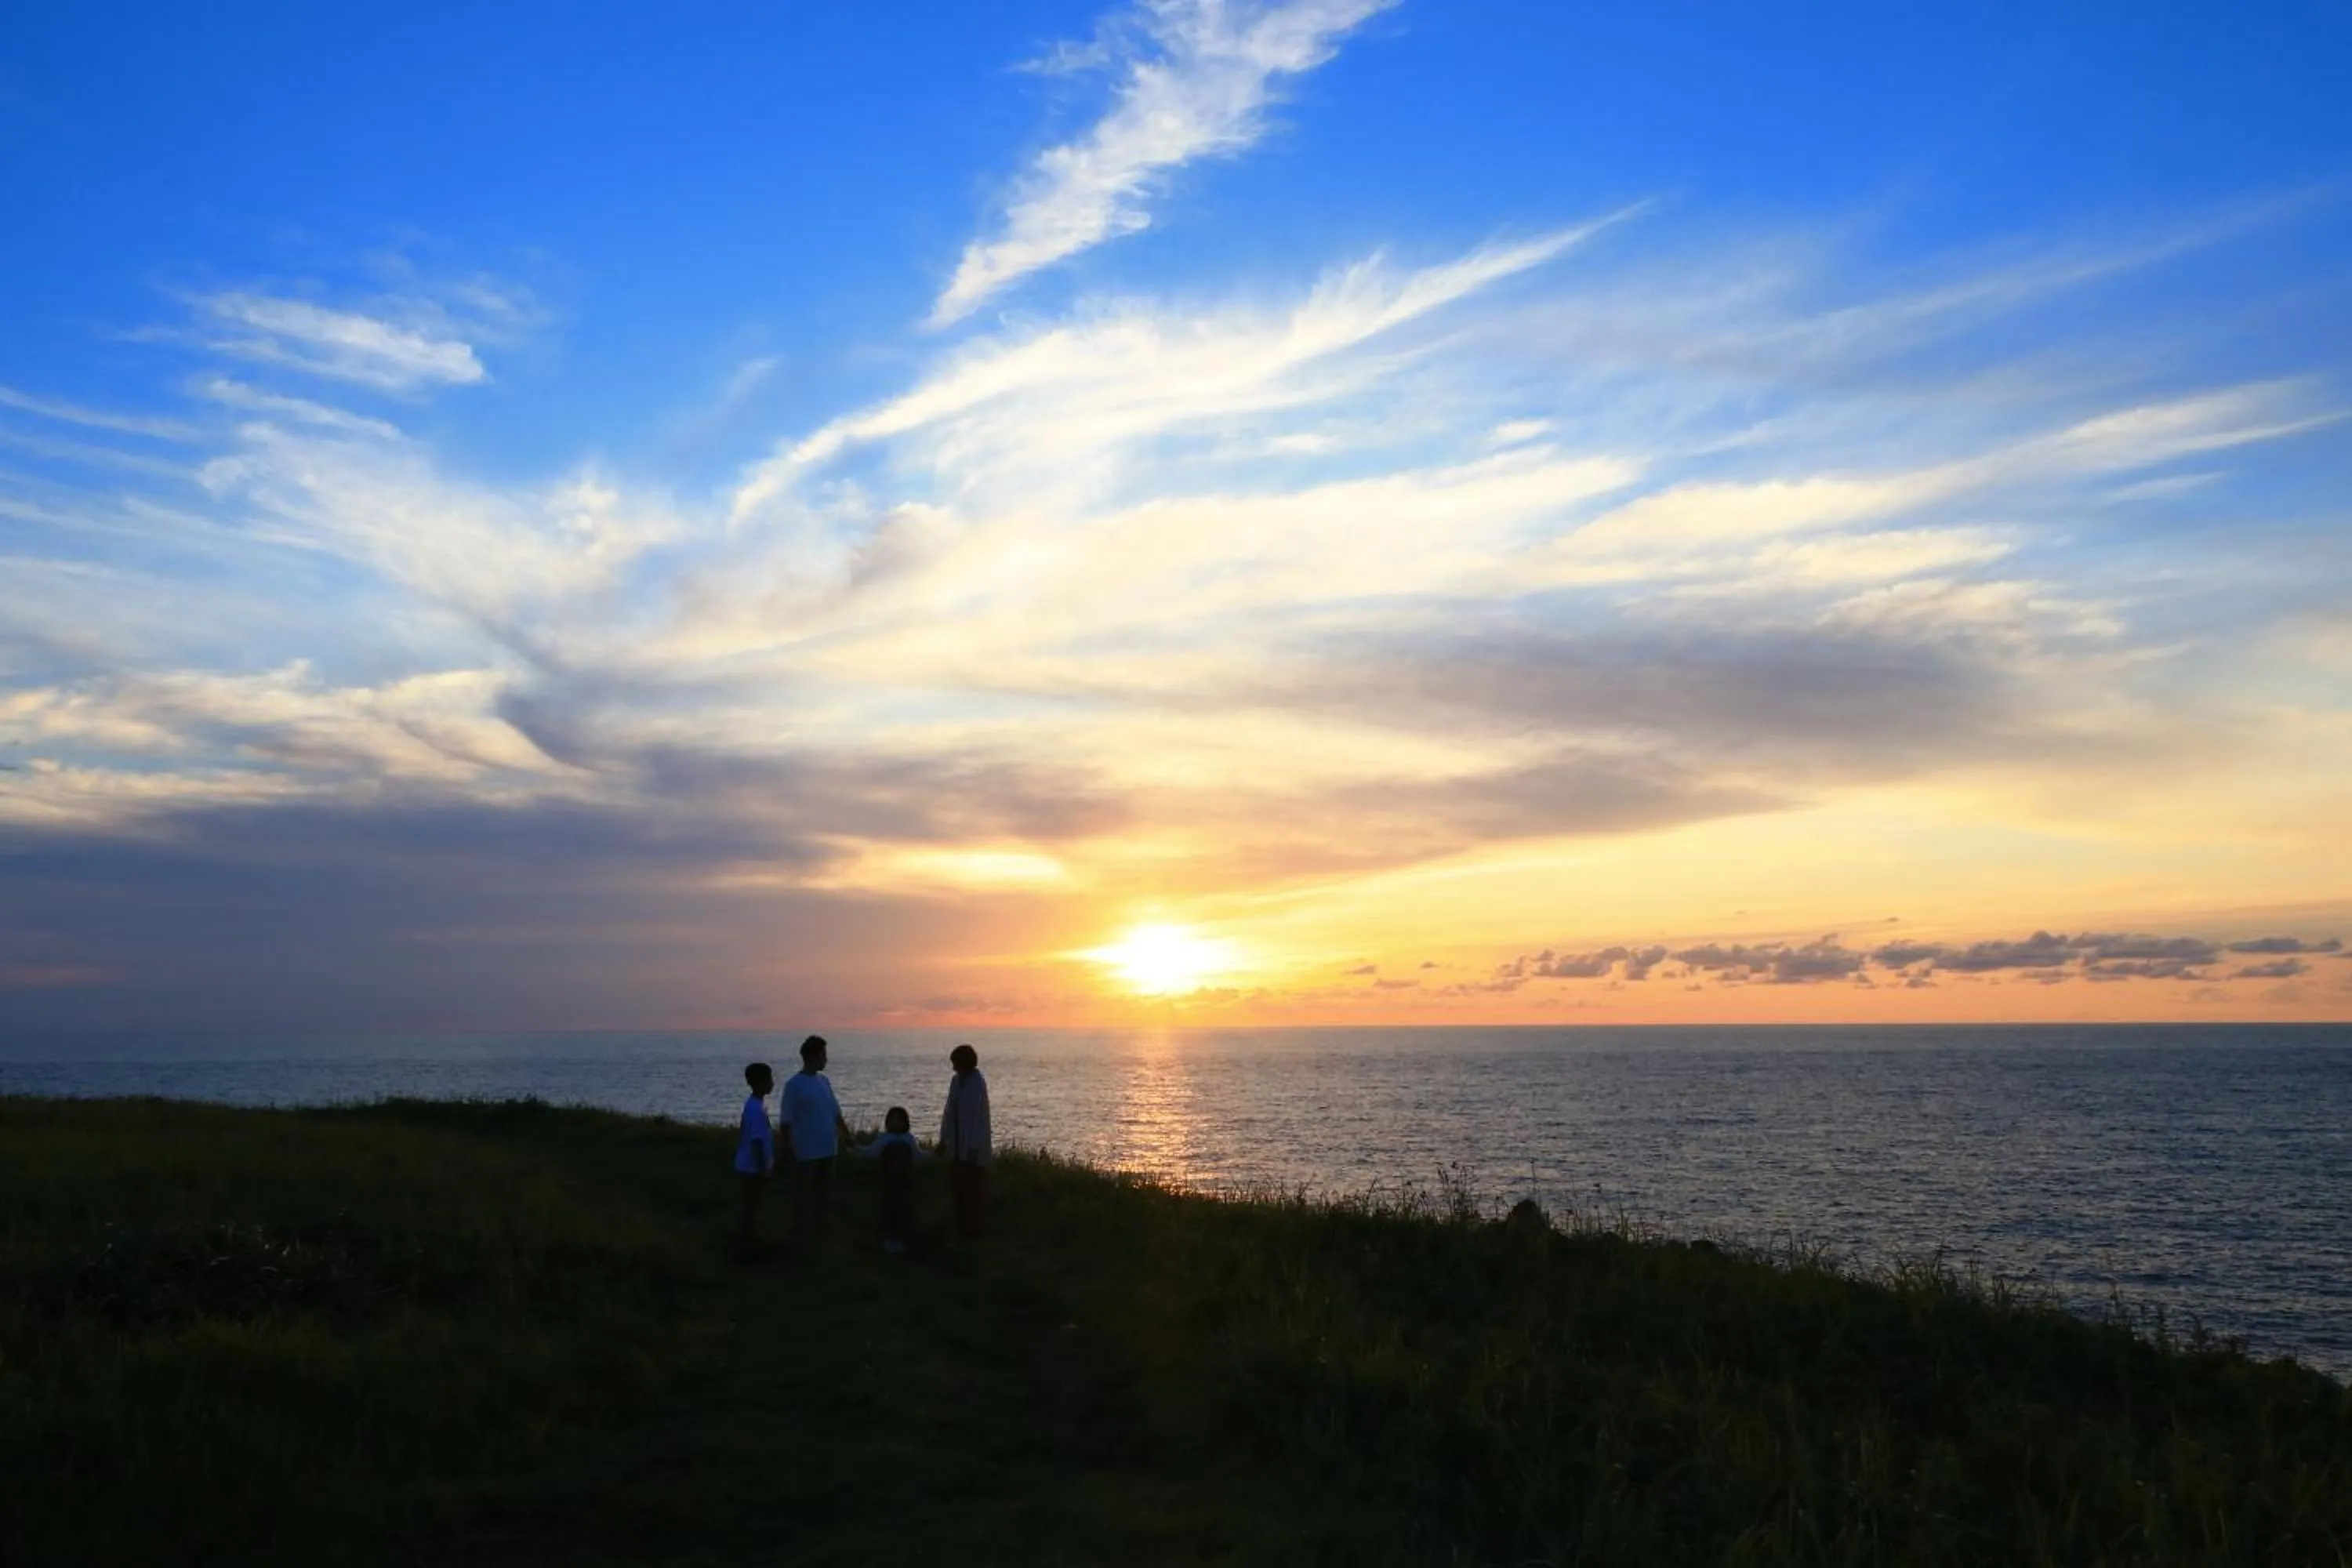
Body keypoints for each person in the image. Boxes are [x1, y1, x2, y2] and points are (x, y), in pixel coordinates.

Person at [782, 1034, 852, 1250]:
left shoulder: (824, 1081)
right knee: (804, 1198)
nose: (826, 1060)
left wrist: (847, 1136)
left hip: (828, 1150)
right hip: (806, 1153)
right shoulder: (794, 1085)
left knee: (824, 1197)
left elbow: (835, 1111)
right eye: (823, 1055)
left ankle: (821, 1237)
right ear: (811, 1056)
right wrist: (788, 1149)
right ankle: (800, 1240)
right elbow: (786, 1121)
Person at [938, 1043, 992, 1240]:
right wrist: (944, 1139)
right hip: (957, 1148)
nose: (953, 1067)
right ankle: (959, 1231)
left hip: (972, 1150)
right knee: (958, 1192)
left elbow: (972, 1119)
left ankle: (973, 1235)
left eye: (955, 1063)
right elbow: (949, 1113)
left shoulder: (977, 1082)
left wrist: (972, 1148)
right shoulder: (956, 1081)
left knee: (973, 1194)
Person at [856, 1105, 925, 1254]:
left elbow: (918, 1155)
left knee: (903, 1209)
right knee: (888, 1208)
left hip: (905, 1181)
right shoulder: (884, 1138)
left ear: (905, 1122)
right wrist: (854, 1148)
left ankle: (902, 1239)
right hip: (888, 1181)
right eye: (893, 1120)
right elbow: (870, 1152)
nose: (896, 1123)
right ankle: (888, 1239)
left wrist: (936, 1153)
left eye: (899, 1120)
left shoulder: (909, 1139)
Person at [734, 1062, 776, 1256]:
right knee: (753, 1207)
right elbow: (757, 1141)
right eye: (769, 1079)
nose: (772, 1083)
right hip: (752, 1168)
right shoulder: (756, 1110)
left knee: (750, 1206)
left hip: (747, 1165)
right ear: (760, 1083)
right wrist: (764, 1168)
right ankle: (747, 1247)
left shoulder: (754, 1105)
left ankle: (747, 1244)